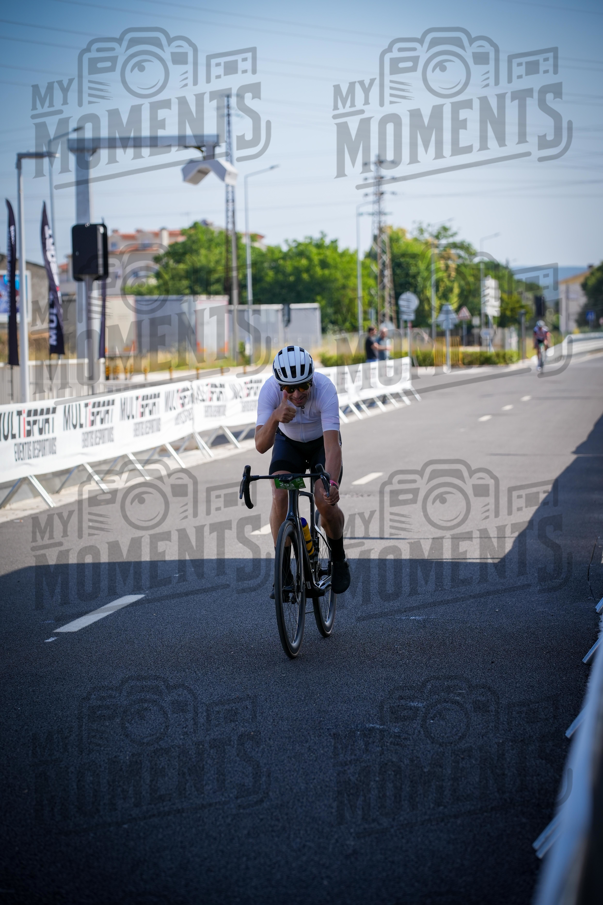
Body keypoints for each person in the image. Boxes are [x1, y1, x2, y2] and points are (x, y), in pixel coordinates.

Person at [255, 345, 351, 595]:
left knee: (324, 501)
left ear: (311, 381)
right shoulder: (269, 391)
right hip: (290, 446)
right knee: (279, 496)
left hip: (320, 445)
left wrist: (332, 485)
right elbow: (260, 445)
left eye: (303, 386)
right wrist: (275, 416)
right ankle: (284, 569)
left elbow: (332, 447)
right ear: (279, 387)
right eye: (289, 388)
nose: (297, 394)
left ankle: (338, 557)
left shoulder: (325, 389)